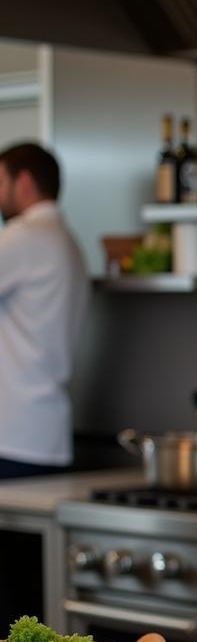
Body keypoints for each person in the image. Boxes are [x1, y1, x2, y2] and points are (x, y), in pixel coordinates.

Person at [0, 142, 89, 479]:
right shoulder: (70, 244)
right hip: (48, 437)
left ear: (24, 183)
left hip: (11, 437)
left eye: (0, 183)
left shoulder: (22, 237)